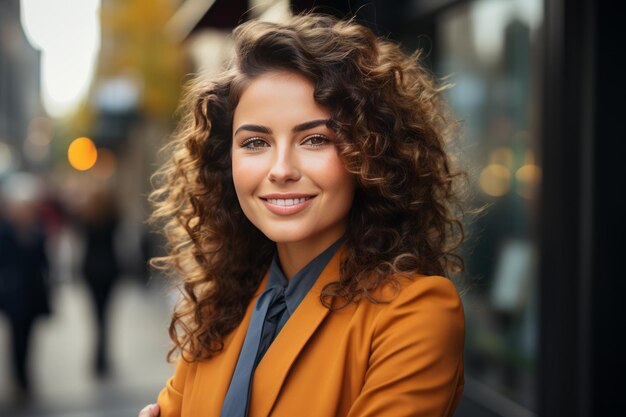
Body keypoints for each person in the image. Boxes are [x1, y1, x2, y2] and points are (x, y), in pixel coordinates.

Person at [140, 12, 466, 417]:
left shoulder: (415, 314)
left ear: (370, 152)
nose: (281, 169)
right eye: (256, 142)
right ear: (226, 161)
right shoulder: (221, 309)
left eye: (314, 139)